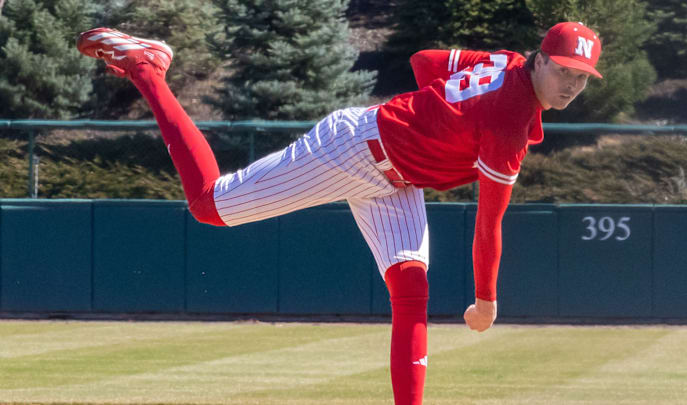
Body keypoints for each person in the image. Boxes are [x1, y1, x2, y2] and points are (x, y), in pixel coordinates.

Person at [76, 21, 602, 405]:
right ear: (539, 59)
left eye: (581, 78)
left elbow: (424, 61)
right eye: (563, 71)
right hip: (355, 149)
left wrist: (434, 126)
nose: (572, 86)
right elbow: (488, 224)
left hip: (397, 175)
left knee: (411, 288)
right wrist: (486, 300)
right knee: (210, 206)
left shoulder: (505, 61)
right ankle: (147, 67)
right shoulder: (510, 121)